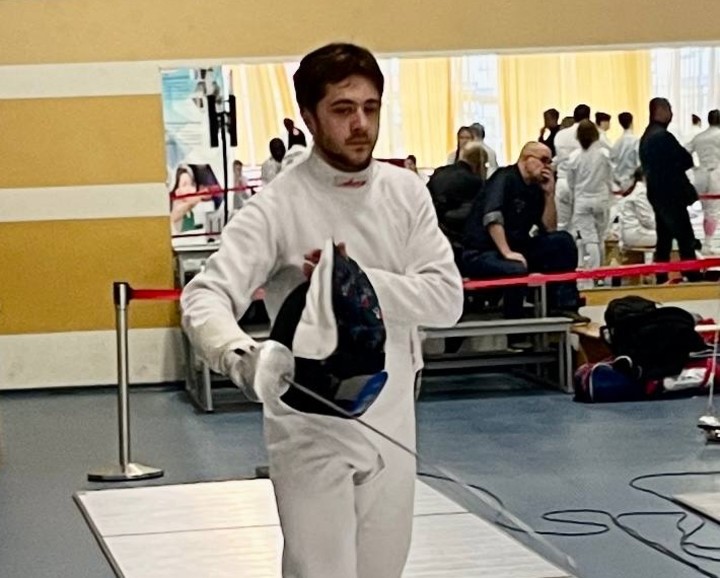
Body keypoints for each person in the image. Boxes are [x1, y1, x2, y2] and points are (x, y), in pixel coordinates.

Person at [180, 42, 464, 578]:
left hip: (391, 414)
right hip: (308, 422)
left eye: (370, 108)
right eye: (343, 109)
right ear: (309, 117)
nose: (361, 124)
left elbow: (446, 298)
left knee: (382, 569)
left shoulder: (406, 193)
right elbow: (204, 296)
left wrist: (353, 282)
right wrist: (240, 357)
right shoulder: (277, 206)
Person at [462, 142, 585, 322]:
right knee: (515, 268)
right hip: (483, 252)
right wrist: (507, 252)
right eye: (543, 160)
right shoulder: (504, 178)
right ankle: (516, 326)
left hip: (516, 246)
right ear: (526, 159)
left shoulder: (536, 187)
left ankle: (563, 305)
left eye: (550, 162)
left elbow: (549, 228)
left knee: (562, 241)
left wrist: (549, 195)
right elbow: (492, 218)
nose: (547, 167)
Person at [639, 97, 702, 283]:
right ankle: (691, 275)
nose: (672, 114)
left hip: (656, 193)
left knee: (664, 239)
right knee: (685, 237)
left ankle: (661, 275)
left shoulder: (646, 137)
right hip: (671, 194)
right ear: (660, 111)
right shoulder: (663, 137)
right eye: (669, 110)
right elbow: (686, 160)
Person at [427, 142, 488, 260]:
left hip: (432, 229)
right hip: (457, 240)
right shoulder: (475, 182)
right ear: (479, 163)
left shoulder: (439, 172)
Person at [567, 120, 613, 272]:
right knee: (600, 237)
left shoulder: (574, 157)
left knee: (589, 239)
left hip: (582, 200)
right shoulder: (604, 154)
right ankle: (602, 270)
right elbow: (611, 177)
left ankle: (594, 272)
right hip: (601, 199)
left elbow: (570, 183)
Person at [686, 109, 720, 254]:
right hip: (716, 174)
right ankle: (708, 244)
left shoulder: (699, 137)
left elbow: (684, 151)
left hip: (701, 175)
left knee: (706, 210)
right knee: (713, 211)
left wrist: (694, 168)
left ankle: (706, 243)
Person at [553, 104, 592, 231]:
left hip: (562, 180)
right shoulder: (589, 135)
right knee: (582, 225)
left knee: (562, 224)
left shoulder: (560, 135)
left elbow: (558, 157)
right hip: (582, 183)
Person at [169, 165, 214, 232]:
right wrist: (200, 196)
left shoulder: (192, 209)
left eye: (192, 184)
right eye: (185, 185)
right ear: (176, 191)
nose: (190, 188)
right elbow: (175, 214)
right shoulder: (177, 207)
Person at [620, 168, 656, 248]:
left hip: (633, 233)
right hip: (636, 233)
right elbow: (647, 221)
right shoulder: (642, 191)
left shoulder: (638, 189)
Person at [611, 112, 640, 193]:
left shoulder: (617, 143)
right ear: (631, 122)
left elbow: (612, 163)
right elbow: (639, 163)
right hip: (632, 182)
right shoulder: (636, 141)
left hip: (618, 182)